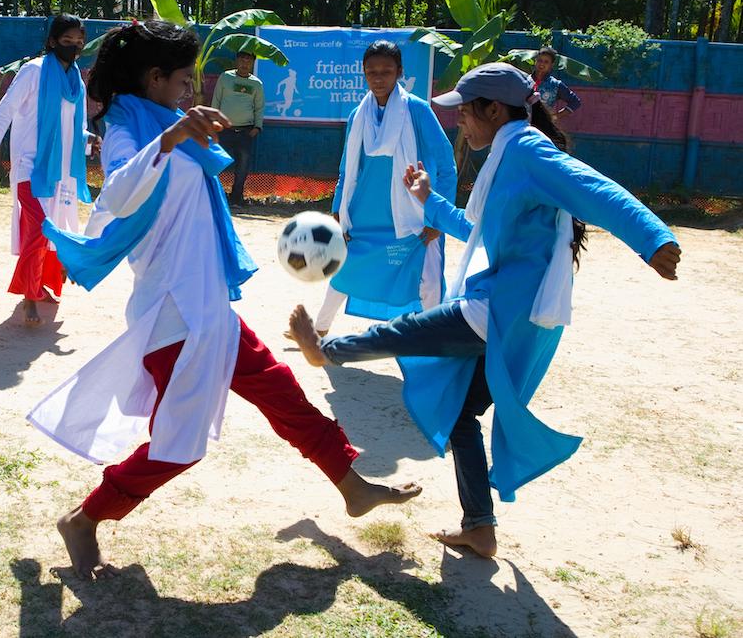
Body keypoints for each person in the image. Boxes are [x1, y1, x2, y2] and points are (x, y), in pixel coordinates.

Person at [26, 20, 422, 580]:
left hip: (208, 306)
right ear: (154, 77)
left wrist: (178, 135)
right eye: (182, 80)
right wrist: (170, 139)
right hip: (173, 316)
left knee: (283, 393)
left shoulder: (167, 124)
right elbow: (117, 193)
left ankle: (352, 486)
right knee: (178, 446)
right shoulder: (126, 130)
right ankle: (84, 518)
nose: (190, 90)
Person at [288, 63, 681, 558]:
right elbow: (474, 229)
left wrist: (653, 239)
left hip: (502, 308)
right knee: (460, 415)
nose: (460, 121)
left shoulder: (528, 151)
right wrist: (428, 199)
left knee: (408, 331)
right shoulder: (507, 153)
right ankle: (480, 527)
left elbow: (596, 189)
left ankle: (325, 351)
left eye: (466, 112)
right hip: (511, 308)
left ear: (494, 110)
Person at [289, 40, 455, 340]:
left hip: (411, 216)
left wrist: (438, 218)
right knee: (347, 271)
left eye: (386, 71)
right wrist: (339, 211)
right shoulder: (358, 115)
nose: (378, 78)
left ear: (400, 72)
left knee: (427, 279)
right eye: (371, 72)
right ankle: (319, 330)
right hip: (364, 214)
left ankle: (434, 342)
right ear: (363, 73)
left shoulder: (417, 110)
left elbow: (446, 165)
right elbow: (347, 169)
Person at [0, 14, 99, 325]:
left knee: (55, 229)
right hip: (31, 167)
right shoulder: (33, 71)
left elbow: (75, 126)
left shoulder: (75, 81)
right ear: (52, 41)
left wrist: (89, 141)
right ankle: (29, 297)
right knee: (40, 229)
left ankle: (42, 285)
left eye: (79, 42)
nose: (74, 47)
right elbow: (6, 109)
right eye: (67, 41)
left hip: (62, 171)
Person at [210, 50, 264, 205]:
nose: (245, 64)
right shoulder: (225, 77)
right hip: (223, 130)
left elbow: (259, 107)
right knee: (216, 163)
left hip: (245, 132)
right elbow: (216, 100)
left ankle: (236, 198)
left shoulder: (256, 84)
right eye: (242, 60)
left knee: (242, 167)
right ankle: (214, 196)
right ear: (236, 61)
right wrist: (213, 122)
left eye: (248, 61)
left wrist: (257, 127)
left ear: (253, 64)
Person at [532, 46, 582, 116]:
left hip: (543, 122)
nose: (542, 64)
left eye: (546, 62)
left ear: (551, 65)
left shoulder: (555, 85)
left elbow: (575, 102)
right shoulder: (525, 80)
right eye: (539, 60)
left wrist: (556, 116)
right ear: (535, 61)